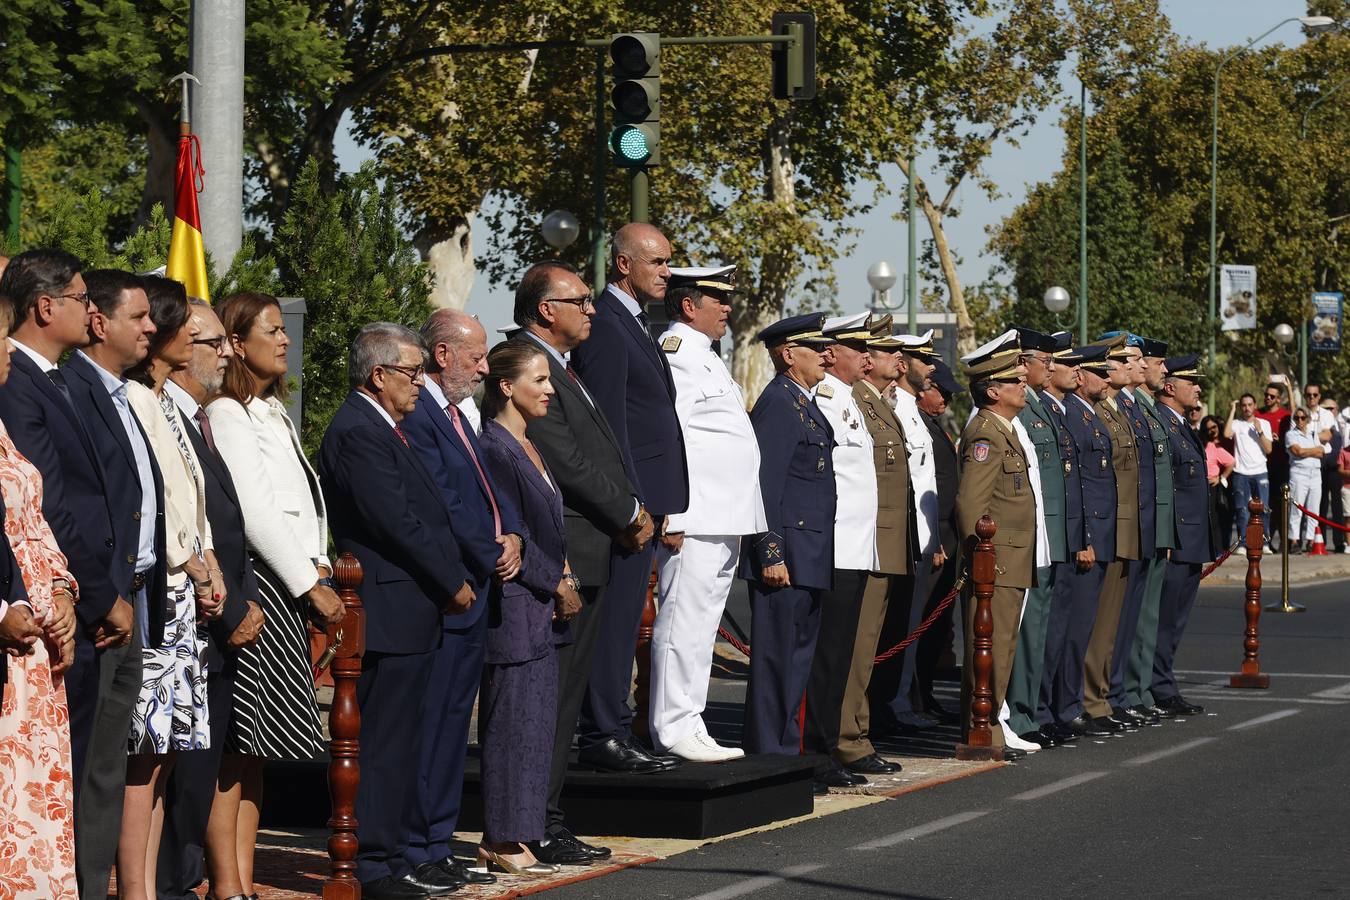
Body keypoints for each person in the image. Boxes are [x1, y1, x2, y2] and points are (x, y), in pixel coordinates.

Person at [0, 252, 152, 898]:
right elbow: (50, 507)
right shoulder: (18, 384)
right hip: (55, 614)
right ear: (45, 306)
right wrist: (98, 596)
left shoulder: (57, 380)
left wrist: (81, 587)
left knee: (91, 774)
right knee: (70, 774)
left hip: (73, 598)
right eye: (80, 298)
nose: (90, 311)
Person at [319, 323, 476, 900]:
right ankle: (373, 863)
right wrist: (452, 579)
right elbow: (397, 522)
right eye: (412, 372)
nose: (420, 382)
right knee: (383, 744)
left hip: (411, 606)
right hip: (389, 605)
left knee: (403, 740)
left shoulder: (387, 427)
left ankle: (392, 853)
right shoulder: (358, 431)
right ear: (378, 374)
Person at [509, 260, 649, 866]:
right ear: (547, 309)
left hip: (592, 550)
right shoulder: (525, 364)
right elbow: (564, 459)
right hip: (565, 552)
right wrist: (628, 512)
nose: (592, 310)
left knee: (565, 699)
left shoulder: (563, 367)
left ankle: (545, 817)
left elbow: (600, 451)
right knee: (554, 699)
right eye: (581, 301)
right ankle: (536, 822)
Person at [206, 292, 344, 900]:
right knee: (237, 746)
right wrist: (308, 583)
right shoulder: (228, 413)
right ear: (237, 344)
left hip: (289, 583)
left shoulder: (269, 411)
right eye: (271, 330)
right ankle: (225, 882)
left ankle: (243, 875)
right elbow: (256, 512)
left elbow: (300, 499)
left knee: (258, 749)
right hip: (259, 584)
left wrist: (319, 562)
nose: (285, 339)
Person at [400, 309, 522, 893]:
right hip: (451, 588)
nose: (484, 367)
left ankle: (438, 840)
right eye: (475, 356)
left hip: (478, 585)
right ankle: (416, 843)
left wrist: (512, 533)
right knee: (431, 727)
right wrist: (488, 548)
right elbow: (444, 499)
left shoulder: (459, 412)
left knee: (454, 726)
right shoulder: (420, 411)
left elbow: (485, 484)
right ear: (442, 354)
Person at [568, 223, 689, 772]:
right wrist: (632, 506)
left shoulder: (633, 321)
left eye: (667, 262)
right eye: (656, 262)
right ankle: (603, 734)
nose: (667, 272)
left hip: (645, 505)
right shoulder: (608, 326)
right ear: (623, 264)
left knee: (624, 623)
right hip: (626, 511)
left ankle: (614, 729)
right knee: (615, 626)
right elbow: (609, 430)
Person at [118, 275, 223, 900]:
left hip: (187, 595)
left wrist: (209, 563)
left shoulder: (165, 404)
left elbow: (190, 498)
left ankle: (149, 889)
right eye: (184, 324)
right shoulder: (134, 399)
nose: (194, 336)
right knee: (144, 752)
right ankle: (135, 889)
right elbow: (154, 506)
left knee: (165, 755)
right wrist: (193, 562)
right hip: (160, 592)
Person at [158, 299, 265, 900]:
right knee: (177, 777)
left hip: (222, 618)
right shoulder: (164, 414)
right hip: (193, 620)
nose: (227, 353)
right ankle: (173, 884)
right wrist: (227, 609)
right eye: (213, 342)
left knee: (201, 772)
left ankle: (186, 880)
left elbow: (223, 523)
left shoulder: (199, 418)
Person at [477, 340, 581, 876]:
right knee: (511, 724)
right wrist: (556, 581)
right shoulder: (494, 447)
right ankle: (501, 836)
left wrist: (565, 576)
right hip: (516, 605)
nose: (548, 390)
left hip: (542, 607)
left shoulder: (529, 443)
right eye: (538, 380)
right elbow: (510, 532)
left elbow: (548, 527)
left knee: (537, 724)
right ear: (505, 386)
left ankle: (519, 831)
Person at [650, 266, 762, 763]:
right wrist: (673, 513)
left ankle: (690, 720)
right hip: (695, 515)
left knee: (702, 625)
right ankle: (672, 725)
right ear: (688, 306)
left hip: (724, 514)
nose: (727, 308)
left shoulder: (707, 357)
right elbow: (669, 437)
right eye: (718, 299)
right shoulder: (676, 354)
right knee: (682, 622)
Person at [0, 290, 80, 900]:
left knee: (39, 785)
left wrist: (61, 589)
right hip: (10, 630)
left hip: (38, 634)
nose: (7, 350)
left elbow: (33, 519)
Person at [738, 314, 836, 760]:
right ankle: (768, 753)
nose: (827, 356)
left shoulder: (802, 401)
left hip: (809, 552)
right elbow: (765, 484)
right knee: (776, 661)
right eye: (817, 349)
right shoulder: (779, 402)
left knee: (795, 661)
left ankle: (785, 751)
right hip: (788, 555)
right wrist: (770, 552)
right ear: (790, 354)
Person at [803, 313, 888, 789]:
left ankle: (831, 746)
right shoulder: (825, 400)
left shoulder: (850, 401)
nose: (867, 359)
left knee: (842, 656)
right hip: (834, 548)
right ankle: (818, 749)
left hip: (856, 548)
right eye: (859, 350)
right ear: (832, 353)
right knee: (827, 657)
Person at [837, 320, 918, 774]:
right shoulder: (855, 400)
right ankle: (848, 737)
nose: (893, 358)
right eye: (880, 350)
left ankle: (858, 730)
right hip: (865, 540)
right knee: (857, 645)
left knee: (868, 645)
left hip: (884, 541)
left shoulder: (876, 402)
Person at [954, 348, 1034, 760]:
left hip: (1010, 556)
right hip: (995, 560)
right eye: (1014, 380)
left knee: (1001, 647)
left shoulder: (1004, 429)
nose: (1024, 385)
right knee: (990, 646)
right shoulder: (986, 433)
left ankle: (989, 725)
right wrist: (981, 560)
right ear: (992, 391)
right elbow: (971, 503)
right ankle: (980, 727)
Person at [868, 330, 943, 733]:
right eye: (922, 359)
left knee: (908, 628)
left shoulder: (910, 408)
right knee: (891, 629)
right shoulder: (892, 406)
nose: (930, 368)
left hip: (920, 538)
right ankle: (888, 704)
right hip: (899, 537)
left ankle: (899, 700)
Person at [1002, 328, 1071, 748]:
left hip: (1045, 534)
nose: (1051, 367)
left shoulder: (1039, 407)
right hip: (1025, 537)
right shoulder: (1020, 411)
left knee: (1039, 630)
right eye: (1044, 361)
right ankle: (1019, 714)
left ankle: (1029, 711)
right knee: (1024, 632)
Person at [1049, 345, 1116, 739]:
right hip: (1085, 537)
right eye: (1097, 372)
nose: (1102, 378)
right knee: (1071, 631)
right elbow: (1079, 485)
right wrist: (1085, 538)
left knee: (1081, 629)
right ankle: (1065, 706)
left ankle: (1069, 704)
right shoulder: (1072, 413)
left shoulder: (1084, 413)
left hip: (1098, 533)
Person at [1151, 355, 1218, 717]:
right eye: (1191, 382)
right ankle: (1159, 687)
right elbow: (1166, 488)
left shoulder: (1180, 424)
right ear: (1169, 387)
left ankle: (1162, 682)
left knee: (1175, 620)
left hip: (1191, 538)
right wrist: (1167, 537)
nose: (1198, 389)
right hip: (1176, 540)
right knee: (1164, 620)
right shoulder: (1162, 422)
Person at [1033, 342, 1089, 747]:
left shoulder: (1057, 412)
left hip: (1065, 536)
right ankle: (1036, 712)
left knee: (1059, 633)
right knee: (1043, 634)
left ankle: (1049, 710)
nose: (1075, 371)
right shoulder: (1037, 412)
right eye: (1062, 363)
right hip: (1045, 538)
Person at [1119, 336, 1174, 724]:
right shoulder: (1128, 407)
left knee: (1143, 617)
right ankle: (1122, 692)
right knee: (1125, 620)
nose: (1157, 369)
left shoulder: (1144, 408)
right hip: (1130, 527)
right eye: (1139, 359)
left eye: (1143, 360)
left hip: (1150, 525)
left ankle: (1136, 690)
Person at [913, 358, 962, 723]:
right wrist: (934, 539)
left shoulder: (934, 425)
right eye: (940, 392)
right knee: (922, 621)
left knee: (937, 623)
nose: (946, 399)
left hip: (947, 533)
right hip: (936, 535)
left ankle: (924, 693)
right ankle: (915, 696)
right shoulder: (920, 425)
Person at [1228, 393, 1274, 548]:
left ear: (1255, 405)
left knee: (1264, 509)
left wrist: (1259, 431)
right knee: (1242, 510)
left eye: (1249, 405)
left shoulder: (1264, 423)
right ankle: (1242, 543)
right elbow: (1226, 434)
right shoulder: (1237, 424)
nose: (1247, 408)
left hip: (1260, 471)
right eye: (1244, 405)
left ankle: (1264, 543)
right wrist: (1232, 410)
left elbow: (1269, 449)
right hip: (1241, 472)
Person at [1285, 407, 1325, 554]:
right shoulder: (1291, 434)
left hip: (1315, 473)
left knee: (1314, 510)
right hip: (1299, 473)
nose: (1300, 421)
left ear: (1307, 419)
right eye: (1297, 418)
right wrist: (1314, 450)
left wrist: (1307, 451)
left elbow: (1321, 452)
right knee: (1297, 509)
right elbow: (1298, 452)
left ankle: (1311, 540)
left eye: (1303, 418)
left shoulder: (1313, 433)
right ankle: (1294, 541)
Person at [1200, 414, 1236, 546]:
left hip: (1213, 487)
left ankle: (1218, 549)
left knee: (1215, 519)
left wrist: (1221, 478)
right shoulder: (1201, 445)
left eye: (1213, 427)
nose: (1211, 431)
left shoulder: (1215, 447)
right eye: (1208, 429)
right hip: (1199, 486)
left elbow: (1231, 462)